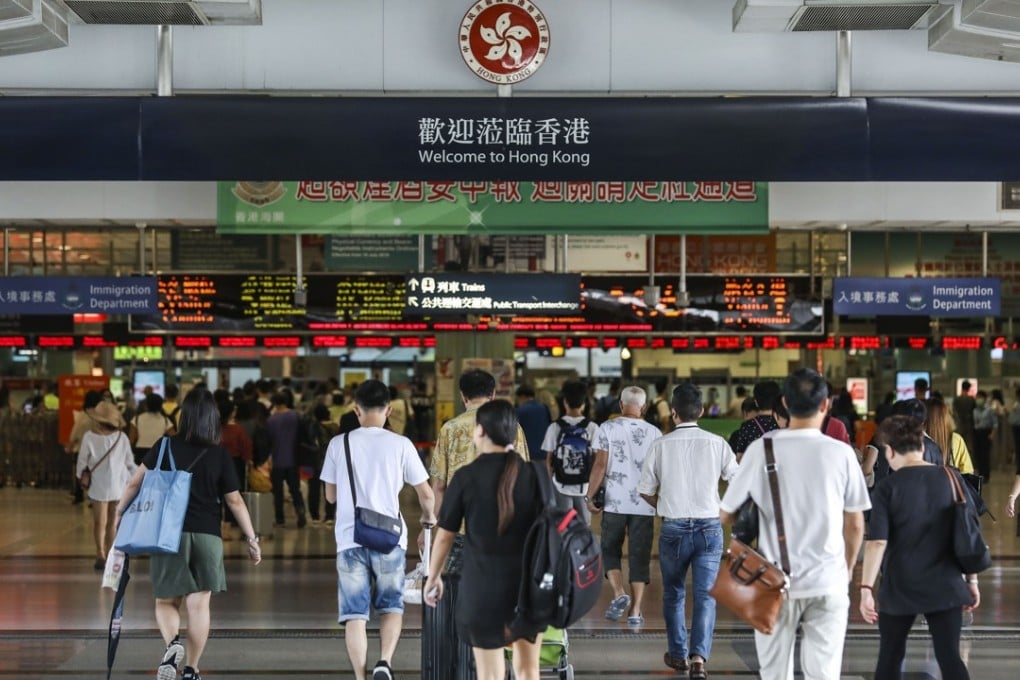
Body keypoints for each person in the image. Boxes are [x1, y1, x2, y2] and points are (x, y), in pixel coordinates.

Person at [720, 369, 870, 680]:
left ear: (785, 403)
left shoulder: (762, 449)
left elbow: (727, 512)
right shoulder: (841, 453)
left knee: (775, 674)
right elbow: (855, 523)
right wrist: (847, 568)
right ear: (826, 405)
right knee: (824, 674)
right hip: (828, 581)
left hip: (773, 581)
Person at [116, 387, 262, 680]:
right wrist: (251, 538)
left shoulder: (165, 445)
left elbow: (134, 483)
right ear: (212, 419)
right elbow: (234, 500)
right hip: (208, 536)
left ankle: (172, 647)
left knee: (167, 601)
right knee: (199, 604)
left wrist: (120, 513)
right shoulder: (219, 454)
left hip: (168, 536)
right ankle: (192, 669)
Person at [321, 380, 436, 680]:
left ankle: (361, 676)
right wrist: (428, 520)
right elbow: (426, 494)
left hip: (350, 538)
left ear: (356, 410)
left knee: (355, 615)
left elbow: (330, 497)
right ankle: (384, 662)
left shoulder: (338, 444)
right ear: (389, 410)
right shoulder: (401, 444)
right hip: (390, 538)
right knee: (390, 606)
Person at [424, 399, 545, 680]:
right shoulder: (535, 475)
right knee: (528, 670)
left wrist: (434, 576)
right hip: (528, 588)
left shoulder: (466, 477)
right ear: (514, 434)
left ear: (479, 431)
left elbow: (445, 536)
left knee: (489, 674)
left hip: (483, 589)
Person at [859, 415, 980, 680]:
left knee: (890, 657)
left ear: (888, 450)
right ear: (923, 446)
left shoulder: (887, 488)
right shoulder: (952, 479)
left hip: (900, 584)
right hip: (946, 584)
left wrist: (866, 589)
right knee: (950, 657)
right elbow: (968, 530)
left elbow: (877, 542)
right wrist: (972, 581)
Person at [638, 383, 738, 679]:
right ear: (702, 411)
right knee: (706, 595)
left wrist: (665, 504)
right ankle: (699, 659)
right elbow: (737, 478)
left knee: (674, 594)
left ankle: (678, 654)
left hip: (674, 527)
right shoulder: (717, 443)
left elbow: (644, 490)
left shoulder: (660, 444)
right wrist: (722, 508)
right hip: (710, 527)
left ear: (673, 412)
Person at [587, 385, 660, 626]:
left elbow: (600, 465)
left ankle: (619, 593)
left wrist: (590, 495)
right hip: (645, 504)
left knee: (610, 550)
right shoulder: (655, 433)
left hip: (614, 502)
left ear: (620, 405)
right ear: (644, 407)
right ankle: (636, 612)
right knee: (639, 556)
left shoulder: (607, 428)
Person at [76, 401, 135, 570]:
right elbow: (129, 463)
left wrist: (80, 476)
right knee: (113, 523)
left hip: (99, 485)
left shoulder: (89, 437)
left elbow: (82, 461)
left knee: (99, 522)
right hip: (118, 485)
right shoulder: (121, 438)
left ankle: (100, 553)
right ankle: (111, 554)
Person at [542, 380, 599, 524]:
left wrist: (549, 486)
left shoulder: (554, 427)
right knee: (584, 526)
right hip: (585, 486)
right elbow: (597, 462)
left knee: (562, 525)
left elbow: (548, 462)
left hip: (560, 485)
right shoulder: (592, 427)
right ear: (584, 404)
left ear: (565, 402)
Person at [267, 390, 307, 528]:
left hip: (277, 461)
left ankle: (280, 519)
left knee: (278, 493)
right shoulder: (295, 416)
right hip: (293, 459)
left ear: (274, 403)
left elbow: (269, 441)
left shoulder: (271, 420)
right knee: (295, 490)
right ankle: (300, 511)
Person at [219, 399, 253, 535]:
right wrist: (249, 461)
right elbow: (246, 448)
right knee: (232, 494)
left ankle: (219, 525)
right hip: (235, 464)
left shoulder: (213, 428)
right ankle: (228, 525)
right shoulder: (238, 430)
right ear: (232, 412)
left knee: (218, 495)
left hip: (216, 463)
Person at [66, 389, 104, 505]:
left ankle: (79, 496)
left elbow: (75, 432)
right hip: (99, 450)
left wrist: (71, 444)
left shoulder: (83, 415)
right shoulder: (101, 415)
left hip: (83, 449)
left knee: (81, 473)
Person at [728, 381, 782, 457]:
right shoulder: (784, 423)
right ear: (779, 400)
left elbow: (740, 458)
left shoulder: (747, 426)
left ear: (756, 402)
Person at [925, 398, 975, 474]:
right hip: (950, 485)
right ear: (946, 417)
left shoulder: (918, 439)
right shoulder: (956, 439)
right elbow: (967, 471)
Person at [132, 393, 176, 464]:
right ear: (160, 406)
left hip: (140, 452)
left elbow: (132, 438)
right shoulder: (165, 420)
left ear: (146, 405)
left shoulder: (137, 419)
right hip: (158, 451)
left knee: (141, 474)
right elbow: (174, 437)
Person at [516, 385, 551, 459]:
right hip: (544, 451)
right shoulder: (544, 408)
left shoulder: (520, 410)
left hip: (528, 452)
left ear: (522, 396)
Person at [972, 390, 996, 483]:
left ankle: (986, 475)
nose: (978, 400)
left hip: (986, 433)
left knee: (985, 455)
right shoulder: (975, 410)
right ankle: (980, 474)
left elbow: (995, 423)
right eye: (977, 398)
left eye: (980, 397)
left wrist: (992, 434)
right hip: (977, 432)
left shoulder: (989, 410)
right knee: (978, 454)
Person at [952, 381, 977, 455]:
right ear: (969, 388)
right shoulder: (971, 399)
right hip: (969, 424)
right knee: (969, 444)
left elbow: (954, 412)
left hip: (959, 423)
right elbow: (974, 412)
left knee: (959, 443)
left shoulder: (956, 399)